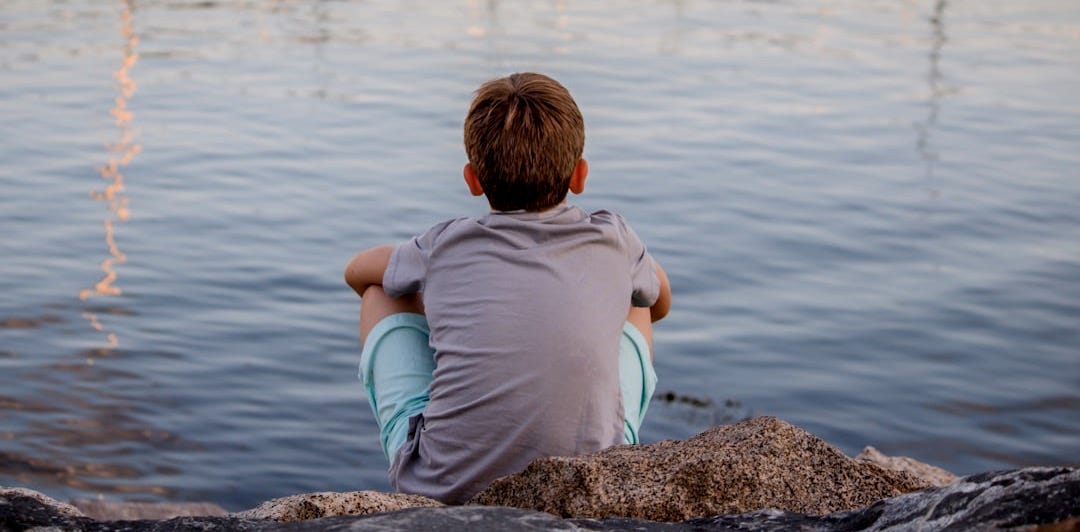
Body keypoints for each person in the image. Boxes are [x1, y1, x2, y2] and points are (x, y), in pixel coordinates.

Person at [344, 72, 672, 504]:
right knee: (637, 300)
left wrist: (447, 305)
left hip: (444, 487)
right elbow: (661, 300)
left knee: (381, 292)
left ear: (472, 179)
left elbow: (357, 272)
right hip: (593, 481)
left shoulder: (444, 245)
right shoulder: (616, 238)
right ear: (580, 175)